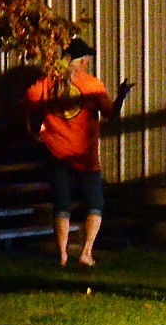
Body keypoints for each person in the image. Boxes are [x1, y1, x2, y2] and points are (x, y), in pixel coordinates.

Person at [25, 38, 133, 267]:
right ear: (83, 61)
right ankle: (86, 252)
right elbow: (109, 113)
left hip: (56, 151)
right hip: (85, 155)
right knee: (95, 203)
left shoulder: (47, 83)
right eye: (87, 60)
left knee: (61, 204)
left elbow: (29, 100)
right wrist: (121, 96)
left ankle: (62, 255)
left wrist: (40, 126)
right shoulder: (92, 85)